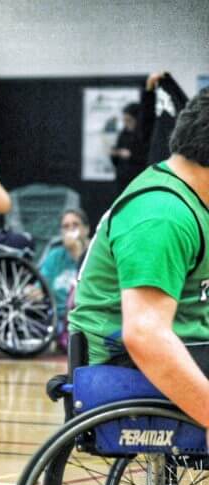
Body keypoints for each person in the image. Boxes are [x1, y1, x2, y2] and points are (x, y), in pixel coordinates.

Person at [69, 90, 209, 434]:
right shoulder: (163, 216)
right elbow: (144, 335)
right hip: (121, 365)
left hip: (186, 342)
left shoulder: (191, 197)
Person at [39, 208, 91, 347]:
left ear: (86, 229)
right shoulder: (55, 255)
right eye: (66, 226)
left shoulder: (95, 252)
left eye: (75, 225)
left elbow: (90, 290)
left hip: (87, 319)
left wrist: (78, 253)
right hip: (57, 320)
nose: (70, 230)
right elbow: (40, 287)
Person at [110, 102, 149, 195]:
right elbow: (116, 160)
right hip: (122, 181)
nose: (126, 123)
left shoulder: (145, 136)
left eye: (129, 120)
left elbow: (148, 158)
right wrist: (114, 154)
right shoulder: (123, 134)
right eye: (124, 120)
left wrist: (131, 156)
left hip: (138, 180)